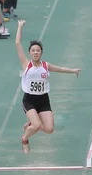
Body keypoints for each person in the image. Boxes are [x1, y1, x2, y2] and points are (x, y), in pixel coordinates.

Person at [15, 20, 81, 153]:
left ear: (41, 53)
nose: (35, 53)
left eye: (37, 51)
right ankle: (25, 138)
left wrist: (73, 70)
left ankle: (30, 125)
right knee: (38, 125)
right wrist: (20, 27)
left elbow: (60, 69)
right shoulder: (26, 64)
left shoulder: (46, 66)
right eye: (33, 51)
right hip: (29, 100)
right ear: (29, 53)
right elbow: (17, 43)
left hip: (44, 100)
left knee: (49, 129)